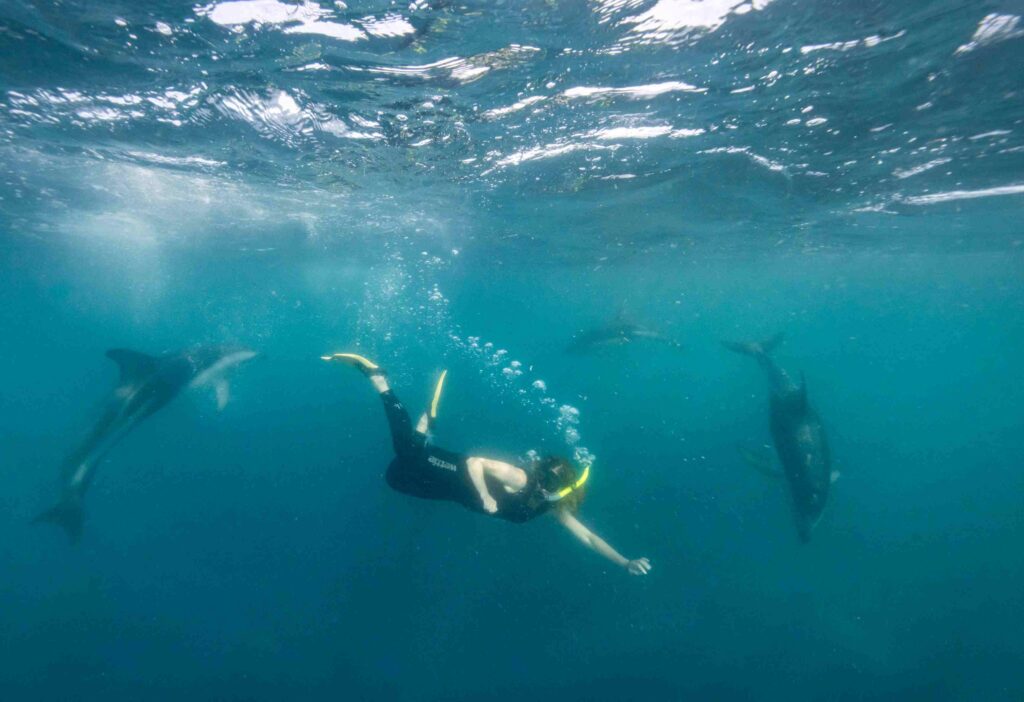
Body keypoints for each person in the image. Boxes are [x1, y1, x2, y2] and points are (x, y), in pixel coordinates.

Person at [322, 352, 652, 576]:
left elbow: (589, 537)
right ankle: (380, 380)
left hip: (453, 494)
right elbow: (476, 462)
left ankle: (427, 424)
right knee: (407, 456)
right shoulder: (521, 479)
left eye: (551, 490)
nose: (544, 491)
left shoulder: (553, 505)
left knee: (395, 477)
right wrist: (486, 496)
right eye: (544, 484)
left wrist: (624, 562)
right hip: (460, 472)